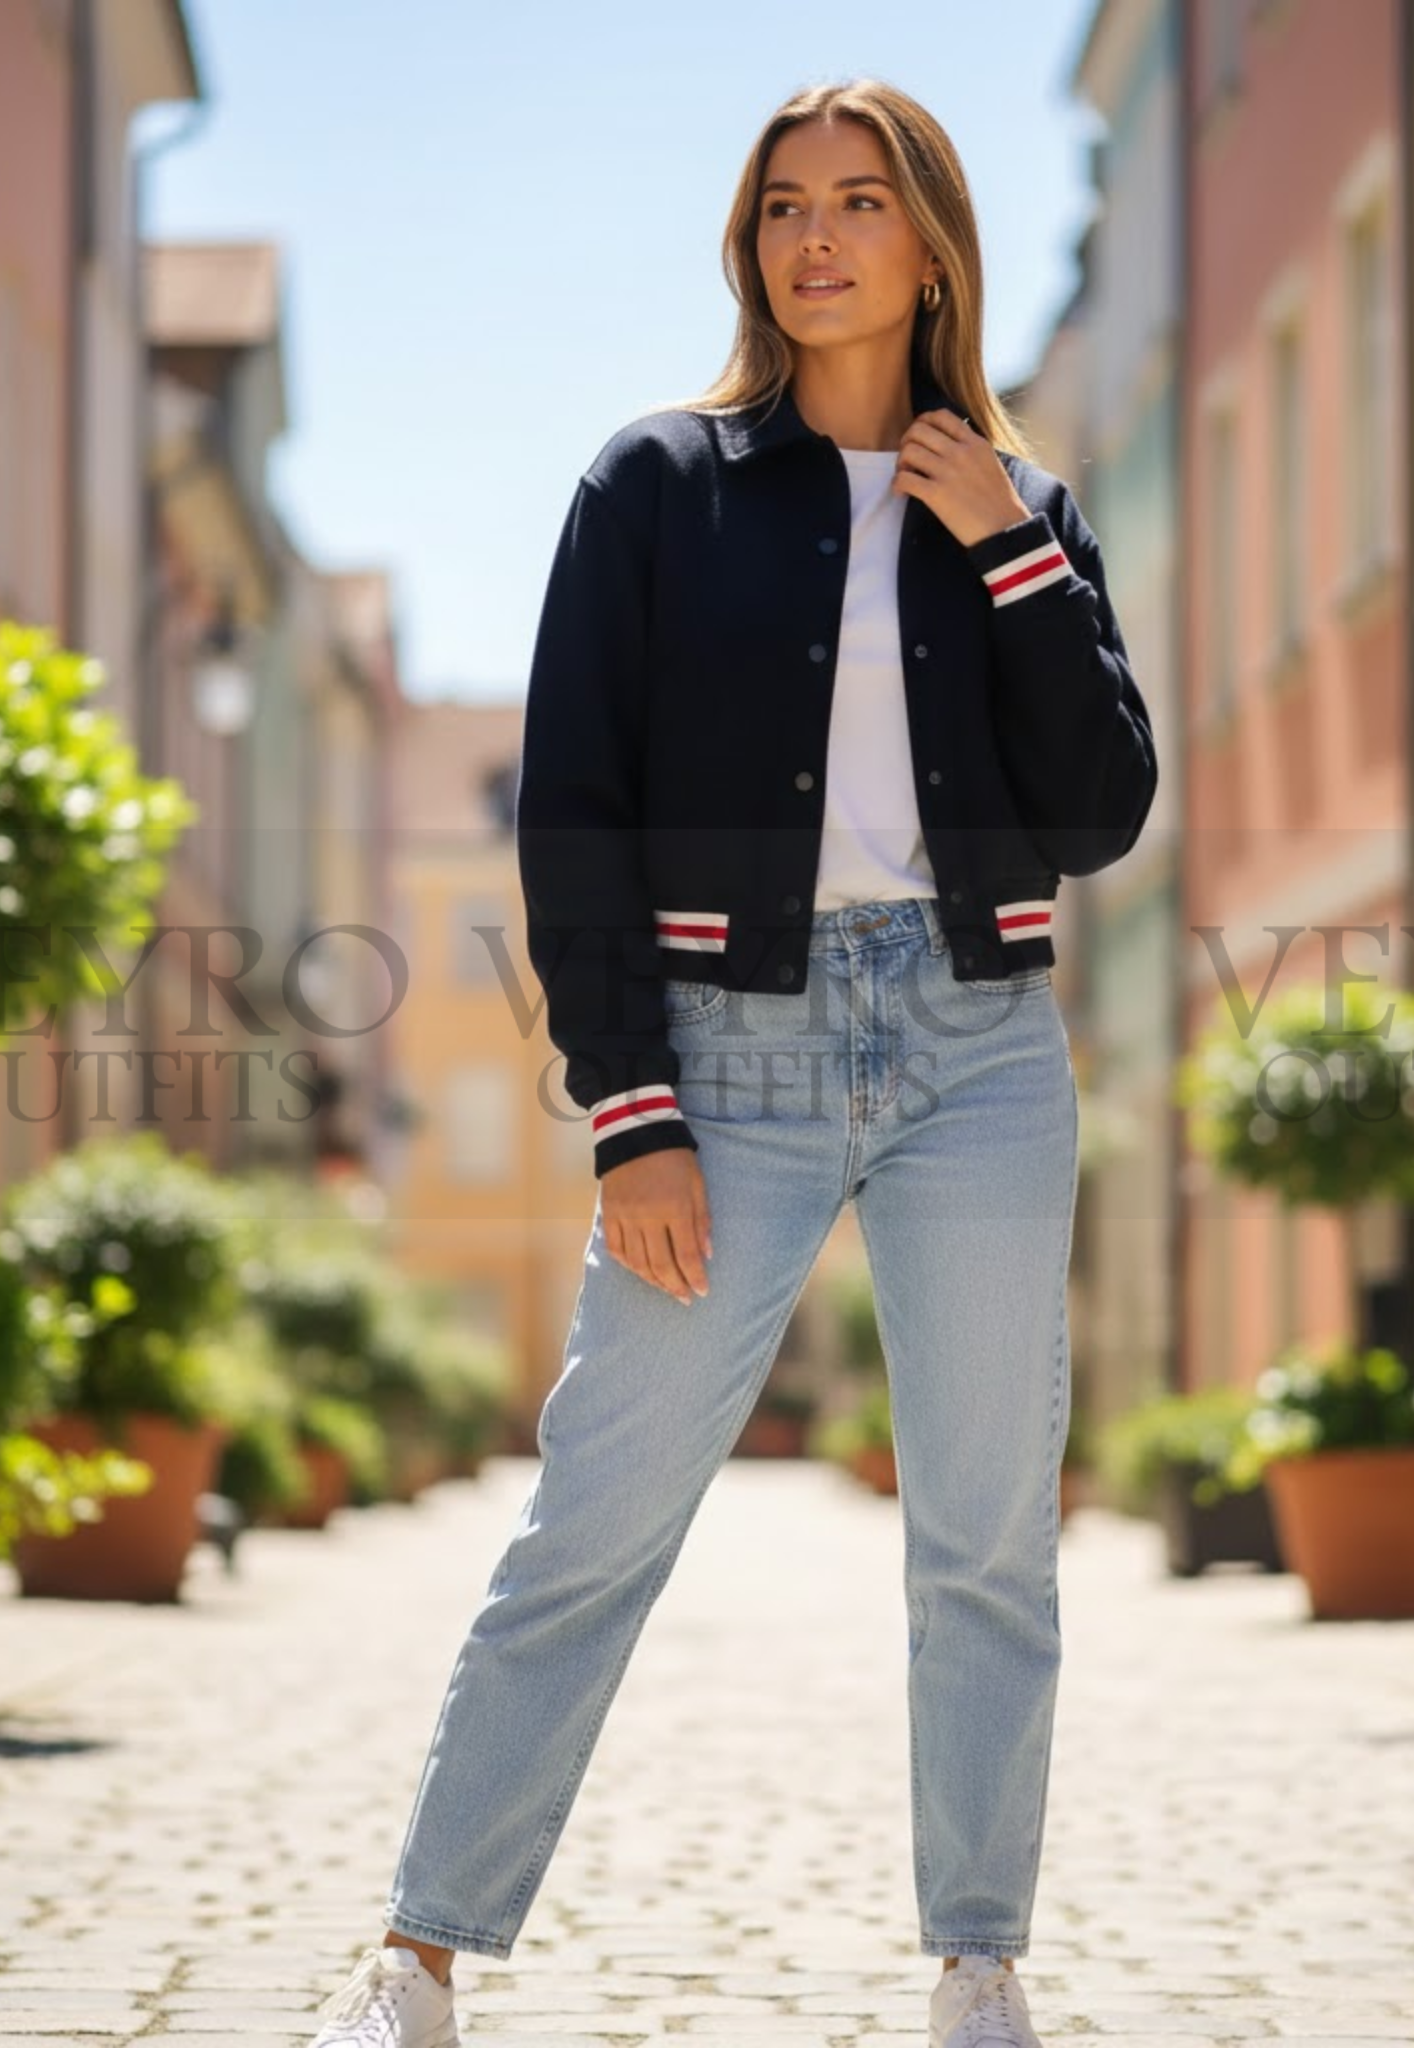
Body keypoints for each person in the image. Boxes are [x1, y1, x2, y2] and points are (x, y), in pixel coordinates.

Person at [304, 76, 1157, 2048]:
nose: (818, 239)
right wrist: (633, 1108)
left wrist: (1009, 550)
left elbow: (1102, 804)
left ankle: (976, 1959)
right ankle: (420, 1949)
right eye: (785, 206)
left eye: (862, 202)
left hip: (977, 1050)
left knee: (983, 1528)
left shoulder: (1017, 506)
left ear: (931, 239)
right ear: (751, 242)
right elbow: (575, 817)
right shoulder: (657, 487)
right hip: (728, 1050)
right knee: (594, 1515)